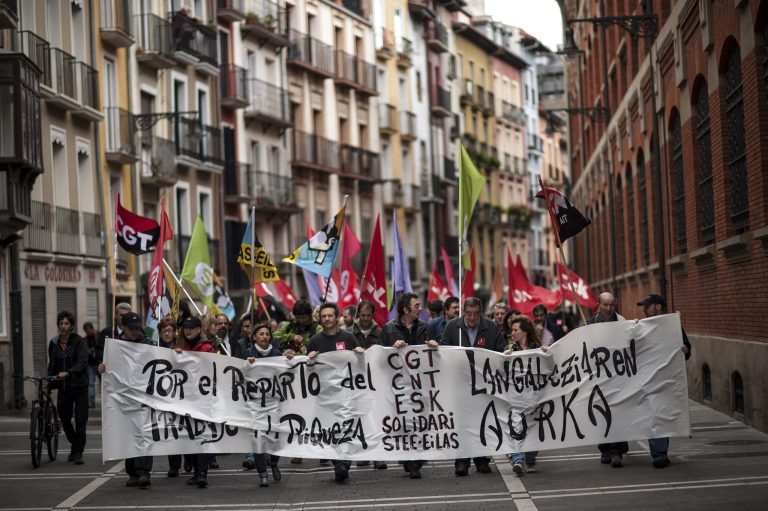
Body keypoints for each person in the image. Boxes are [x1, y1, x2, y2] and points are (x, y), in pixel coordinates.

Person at [442, 297, 505, 476]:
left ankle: (482, 459)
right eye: (468, 314)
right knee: (462, 423)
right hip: (460, 384)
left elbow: (499, 350)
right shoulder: (453, 327)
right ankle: (461, 462)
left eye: (476, 314)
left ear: (481, 312)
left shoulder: (491, 327)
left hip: (483, 384)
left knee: (483, 421)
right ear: (463, 312)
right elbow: (444, 349)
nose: (471, 318)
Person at [380, 293, 440, 479]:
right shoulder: (389, 329)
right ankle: (410, 460)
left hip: (421, 384)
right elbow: (380, 358)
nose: (420, 308)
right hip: (398, 386)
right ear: (405, 310)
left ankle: (415, 461)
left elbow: (434, 357)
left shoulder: (425, 328)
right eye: (416, 306)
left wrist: (433, 346)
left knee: (420, 422)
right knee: (404, 424)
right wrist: (392, 347)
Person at [307, 303, 365, 483]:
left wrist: (360, 353)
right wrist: (310, 360)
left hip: (347, 393)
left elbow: (359, 365)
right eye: (323, 316)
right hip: (325, 396)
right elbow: (308, 371)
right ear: (320, 319)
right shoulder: (315, 340)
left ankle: (345, 460)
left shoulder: (348, 337)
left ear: (337, 317)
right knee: (331, 428)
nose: (327, 319)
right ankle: (338, 462)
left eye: (330, 316)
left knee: (347, 425)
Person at [99, 312, 155, 487]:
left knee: (144, 433)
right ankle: (132, 472)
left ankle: (144, 471)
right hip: (123, 398)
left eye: (138, 328)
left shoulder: (147, 344)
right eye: (132, 329)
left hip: (143, 397)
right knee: (127, 434)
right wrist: (102, 368)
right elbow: (108, 371)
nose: (135, 332)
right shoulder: (115, 345)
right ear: (123, 327)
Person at [637, 293, 692, 469]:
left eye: (648, 306)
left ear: (658, 307)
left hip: (667, 381)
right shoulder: (642, 327)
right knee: (654, 415)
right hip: (649, 380)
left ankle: (661, 452)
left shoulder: (672, 326)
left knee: (663, 415)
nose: (644, 310)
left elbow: (687, 350)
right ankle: (659, 454)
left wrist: (685, 350)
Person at [273, 299, 322, 464]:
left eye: (304, 318)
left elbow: (320, 344)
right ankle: (298, 449)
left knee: (316, 413)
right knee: (296, 413)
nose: (301, 321)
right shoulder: (289, 326)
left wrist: (306, 347)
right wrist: (292, 337)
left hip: (312, 377)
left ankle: (322, 449)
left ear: (309, 316)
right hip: (293, 379)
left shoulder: (317, 327)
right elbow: (275, 338)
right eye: (298, 317)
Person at [586, 292, 627, 467]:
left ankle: (617, 451)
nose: (609, 309)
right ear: (598, 305)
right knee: (601, 414)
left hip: (618, 377)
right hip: (598, 379)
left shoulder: (623, 323)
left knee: (618, 413)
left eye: (611, 305)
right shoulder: (588, 325)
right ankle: (605, 449)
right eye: (605, 305)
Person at [504, 315, 548, 476]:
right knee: (517, 428)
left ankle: (530, 459)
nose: (513, 333)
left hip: (535, 397)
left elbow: (549, 368)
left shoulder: (538, 347)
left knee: (533, 428)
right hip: (516, 398)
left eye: (515, 330)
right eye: (512, 330)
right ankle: (517, 460)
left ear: (525, 332)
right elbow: (502, 370)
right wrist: (505, 358)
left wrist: (546, 353)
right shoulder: (511, 348)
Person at [177, 315, 216, 487]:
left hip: (203, 400)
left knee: (202, 436)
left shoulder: (207, 348)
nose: (188, 330)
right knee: (190, 436)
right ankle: (195, 471)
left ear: (199, 330)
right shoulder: (180, 347)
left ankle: (202, 474)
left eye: (191, 327)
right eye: (186, 327)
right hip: (185, 400)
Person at [242, 324, 284, 486]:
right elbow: (238, 374)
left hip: (274, 404)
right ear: (254, 337)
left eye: (267, 334)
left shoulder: (277, 354)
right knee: (258, 439)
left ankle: (273, 462)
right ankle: (262, 473)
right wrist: (247, 365)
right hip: (255, 405)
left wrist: (287, 360)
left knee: (276, 438)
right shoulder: (247, 354)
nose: (265, 336)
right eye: (261, 334)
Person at [349, 300, 386, 470]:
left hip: (376, 384)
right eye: (362, 315)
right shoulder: (349, 333)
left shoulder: (381, 333)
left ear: (373, 315)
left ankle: (378, 455)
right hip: (355, 385)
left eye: (368, 315)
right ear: (358, 315)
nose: (365, 319)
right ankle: (364, 453)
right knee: (360, 420)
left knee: (377, 420)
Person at [48, 311, 88, 465]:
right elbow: (52, 364)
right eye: (61, 323)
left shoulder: (79, 342)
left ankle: (78, 452)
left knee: (80, 420)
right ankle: (75, 445)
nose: (63, 326)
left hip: (79, 386)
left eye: (66, 323)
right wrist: (50, 382)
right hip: (63, 387)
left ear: (71, 325)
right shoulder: (53, 342)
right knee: (64, 420)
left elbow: (82, 362)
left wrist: (70, 372)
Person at [155, 316, 184, 478]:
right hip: (164, 395)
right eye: (163, 330)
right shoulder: (154, 348)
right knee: (170, 430)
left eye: (170, 330)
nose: (167, 333)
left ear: (175, 332)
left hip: (181, 394)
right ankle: (174, 465)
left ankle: (187, 457)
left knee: (182, 429)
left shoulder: (182, 346)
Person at [82, 321, 101, 409]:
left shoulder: (99, 336)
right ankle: (91, 401)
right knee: (91, 383)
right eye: (86, 331)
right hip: (90, 364)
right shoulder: (85, 339)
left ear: (92, 328)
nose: (88, 332)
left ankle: (106, 400)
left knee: (104, 383)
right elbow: (84, 350)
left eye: (88, 330)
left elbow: (101, 347)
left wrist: (94, 350)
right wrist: (88, 351)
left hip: (100, 363)